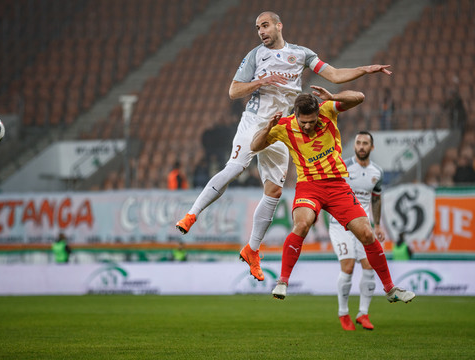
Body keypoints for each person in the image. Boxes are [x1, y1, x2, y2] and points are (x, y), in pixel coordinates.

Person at [176, 11, 392, 282]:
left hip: (282, 127)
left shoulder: (301, 55)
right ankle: (191, 215)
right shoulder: (255, 55)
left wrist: (365, 70)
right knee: (236, 166)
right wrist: (260, 81)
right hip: (255, 122)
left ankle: (252, 250)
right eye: (257, 28)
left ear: (279, 26)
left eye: (265, 26)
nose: (261, 31)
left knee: (275, 190)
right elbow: (233, 91)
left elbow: (335, 75)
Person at [250, 88, 415, 306]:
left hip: (338, 186)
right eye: (304, 122)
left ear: (317, 113)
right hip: (309, 186)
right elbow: (254, 146)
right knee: (302, 224)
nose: (308, 126)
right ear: (296, 115)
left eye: (312, 121)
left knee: (366, 233)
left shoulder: (328, 110)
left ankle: (390, 288)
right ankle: (283, 281)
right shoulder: (284, 126)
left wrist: (334, 97)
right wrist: (268, 128)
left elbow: (360, 97)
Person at [328, 131, 384, 331]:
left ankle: (363, 313)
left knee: (369, 266)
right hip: (339, 224)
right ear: (354, 146)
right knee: (349, 266)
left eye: (365, 143)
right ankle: (343, 313)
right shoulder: (343, 167)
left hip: (363, 225)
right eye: (358, 142)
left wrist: (377, 225)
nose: (361, 146)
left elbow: (376, 198)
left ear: (372, 147)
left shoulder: (377, 172)